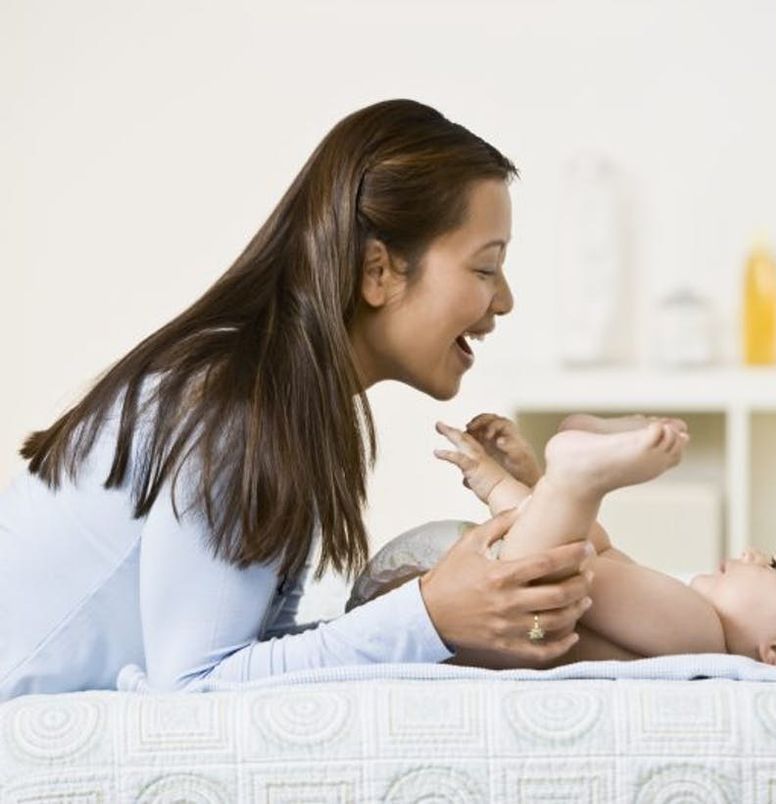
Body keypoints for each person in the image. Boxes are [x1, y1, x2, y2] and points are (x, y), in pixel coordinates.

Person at [0, 100, 596, 701]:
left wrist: (421, 623)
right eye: (486, 268)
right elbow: (194, 688)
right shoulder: (234, 407)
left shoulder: (273, 395)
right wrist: (426, 617)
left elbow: (247, 655)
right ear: (378, 272)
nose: (505, 300)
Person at [357, 411, 776, 668]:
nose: (749, 553)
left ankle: (574, 478)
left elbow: (568, 565)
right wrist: (524, 488)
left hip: (433, 622)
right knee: (579, 563)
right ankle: (568, 479)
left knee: (556, 579)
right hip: (431, 612)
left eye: (771, 567)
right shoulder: (681, 631)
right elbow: (592, 557)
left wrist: (505, 486)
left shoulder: (701, 637)